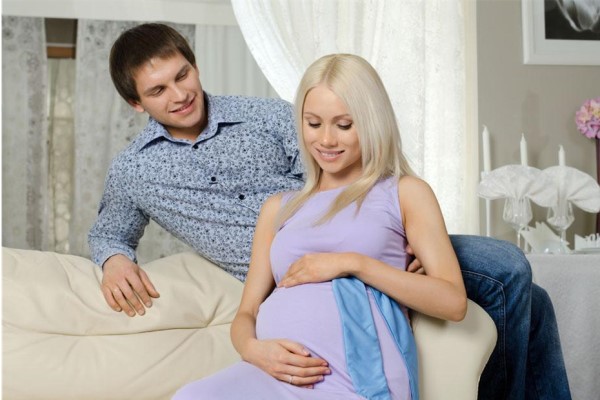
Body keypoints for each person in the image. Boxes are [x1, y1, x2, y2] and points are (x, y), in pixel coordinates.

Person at [89, 23, 571, 400]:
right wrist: (113, 258)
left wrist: (387, 245)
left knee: (510, 270)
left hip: (358, 234)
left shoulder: (266, 116)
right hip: (284, 258)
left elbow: (343, 164)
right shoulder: (135, 171)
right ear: (136, 103)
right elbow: (110, 231)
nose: (179, 95)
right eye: (158, 91)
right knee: (532, 299)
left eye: (182, 76)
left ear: (195, 66)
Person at [172, 53, 467, 399]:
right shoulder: (278, 208)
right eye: (313, 124)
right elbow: (246, 312)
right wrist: (253, 350)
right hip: (272, 373)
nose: (326, 140)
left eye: (344, 125)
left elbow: (453, 302)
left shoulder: (404, 193)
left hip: (356, 377)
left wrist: (352, 263)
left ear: (371, 122)